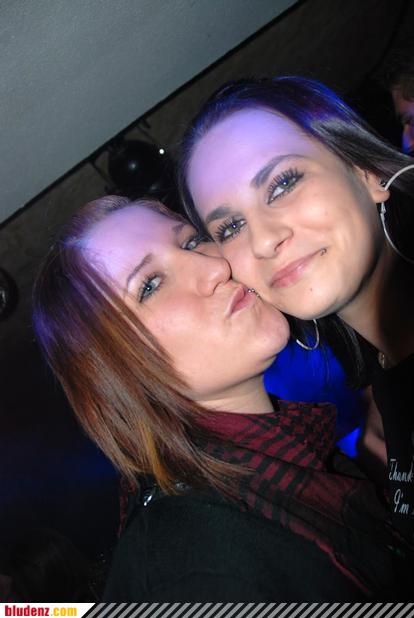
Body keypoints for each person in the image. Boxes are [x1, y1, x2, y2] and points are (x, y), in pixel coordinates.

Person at [32, 196, 412, 600]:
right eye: (151, 285)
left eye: (191, 241)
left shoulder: (292, 459)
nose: (216, 267)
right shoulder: (193, 573)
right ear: (116, 374)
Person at [178, 76, 414, 540]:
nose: (263, 240)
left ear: (366, 172)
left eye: (283, 183)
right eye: (230, 228)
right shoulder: (384, 380)